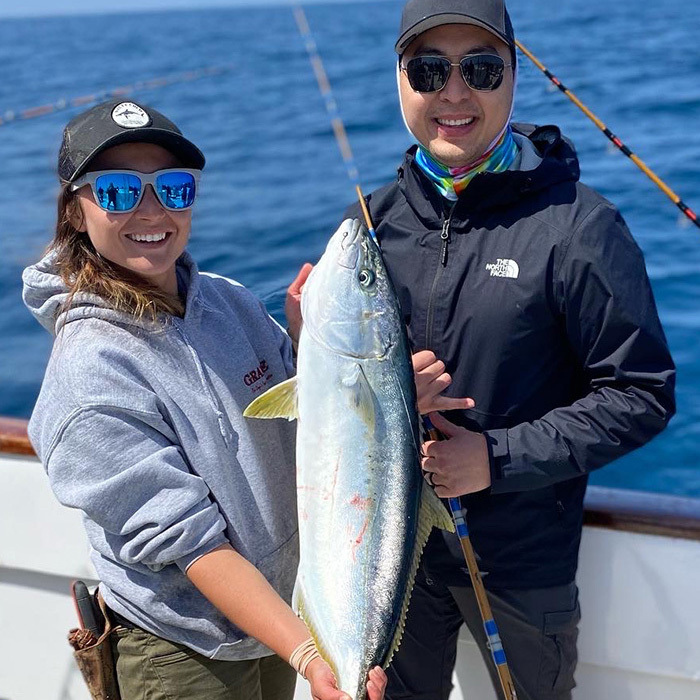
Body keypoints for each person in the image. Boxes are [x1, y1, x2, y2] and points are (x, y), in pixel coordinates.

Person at [332, 1, 676, 698]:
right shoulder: (367, 228)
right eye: (429, 69)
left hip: (522, 564)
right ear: (400, 80)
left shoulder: (580, 226)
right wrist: (361, 379)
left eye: (480, 69)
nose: (453, 93)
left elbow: (642, 393)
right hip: (392, 559)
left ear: (514, 77)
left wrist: (496, 458)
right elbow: (336, 404)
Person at [23, 99, 387, 700]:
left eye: (173, 188)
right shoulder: (89, 373)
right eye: (117, 191)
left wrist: (353, 379)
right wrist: (303, 650)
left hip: (278, 625)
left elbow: (310, 422)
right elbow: (189, 544)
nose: (151, 210)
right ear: (75, 209)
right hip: (182, 652)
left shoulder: (230, 302)